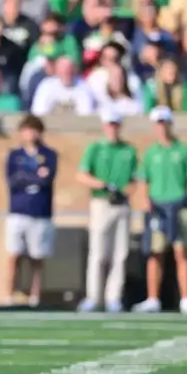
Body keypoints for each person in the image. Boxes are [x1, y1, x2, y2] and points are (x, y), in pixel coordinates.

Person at [133, 106, 187, 314]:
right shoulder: (151, 153)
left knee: (181, 253)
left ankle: (186, 297)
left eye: (164, 123)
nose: (161, 127)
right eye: (158, 123)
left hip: (178, 206)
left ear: (170, 124)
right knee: (155, 253)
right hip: (158, 208)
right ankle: (153, 298)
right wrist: (145, 202)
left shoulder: (183, 150)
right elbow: (143, 181)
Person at [76, 109, 138, 313]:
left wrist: (126, 191)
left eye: (115, 124)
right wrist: (102, 185)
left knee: (120, 253)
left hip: (122, 205)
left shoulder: (128, 150)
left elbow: (135, 180)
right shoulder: (95, 148)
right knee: (98, 253)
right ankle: (93, 296)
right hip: (101, 203)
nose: (112, 128)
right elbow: (82, 175)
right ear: (104, 126)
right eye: (109, 124)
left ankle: (114, 297)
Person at [4, 114, 57, 307]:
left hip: (40, 212)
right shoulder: (14, 155)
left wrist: (28, 178)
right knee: (13, 255)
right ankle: (9, 296)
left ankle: (35, 297)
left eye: (34, 129)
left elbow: (46, 179)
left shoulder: (49, 155)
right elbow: (13, 180)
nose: (30, 133)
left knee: (37, 257)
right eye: (27, 129)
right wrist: (33, 176)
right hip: (18, 211)